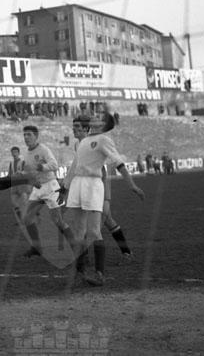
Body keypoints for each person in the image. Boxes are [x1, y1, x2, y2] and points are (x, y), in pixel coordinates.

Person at [63, 113, 144, 286]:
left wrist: (131, 185)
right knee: (78, 231)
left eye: (99, 116)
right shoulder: (83, 142)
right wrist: (65, 186)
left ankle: (100, 274)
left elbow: (118, 163)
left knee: (94, 231)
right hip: (78, 184)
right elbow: (75, 166)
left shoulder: (103, 140)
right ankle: (81, 271)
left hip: (93, 185)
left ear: (103, 125)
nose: (94, 116)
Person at [15, 125, 72, 258]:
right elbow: (30, 172)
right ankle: (37, 248)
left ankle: (77, 248)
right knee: (27, 218)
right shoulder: (26, 154)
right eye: (24, 135)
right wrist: (22, 173)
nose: (26, 137)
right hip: (38, 188)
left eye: (29, 134)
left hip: (50, 187)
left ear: (36, 136)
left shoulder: (43, 149)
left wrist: (42, 166)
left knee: (58, 221)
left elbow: (54, 165)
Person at [7, 146, 31, 224]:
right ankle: (21, 219)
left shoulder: (23, 161)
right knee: (14, 203)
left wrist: (21, 173)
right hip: (14, 184)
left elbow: (27, 171)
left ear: (18, 153)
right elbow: (9, 173)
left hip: (22, 184)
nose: (14, 154)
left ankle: (25, 219)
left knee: (24, 202)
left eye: (15, 152)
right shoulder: (11, 163)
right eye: (13, 152)